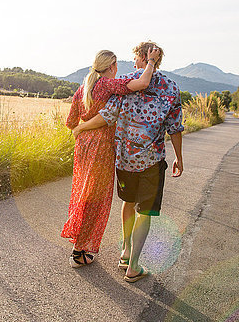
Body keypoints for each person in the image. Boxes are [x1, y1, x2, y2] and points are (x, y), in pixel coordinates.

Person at [72, 41, 184, 282]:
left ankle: (124, 252)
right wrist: (179, 158)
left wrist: (81, 128)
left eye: (135, 58)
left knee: (128, 203)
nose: (133, 63)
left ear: (142, 58)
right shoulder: (171, 87)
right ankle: (133, 265)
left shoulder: (125, 83)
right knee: (145, 212)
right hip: (153, 161)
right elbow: (175, 127)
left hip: (125, 161)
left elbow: (108, 115)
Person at [62, 48, 160, 268]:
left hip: (83, 145)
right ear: (111, 66)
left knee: (83, 192)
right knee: (95, 198)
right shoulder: (107, 85)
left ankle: (79, 245)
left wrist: (83, 127)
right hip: (101, 147)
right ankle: (78, 251)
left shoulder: (82, 88)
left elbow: (70, 123)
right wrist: (151, 61)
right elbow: (143, 83)